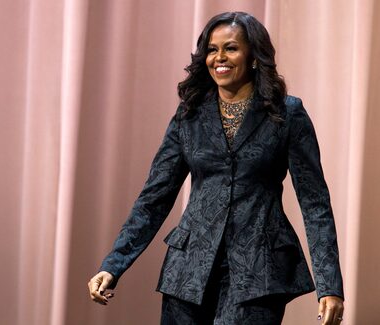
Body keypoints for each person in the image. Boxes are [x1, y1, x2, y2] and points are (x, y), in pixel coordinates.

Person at [88, 11, 344, 325]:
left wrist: (330, 285)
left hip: (258, 271)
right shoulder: (190, 114)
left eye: (231, 48)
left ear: (253, 56)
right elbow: (154, 198)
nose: (219, 57)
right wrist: (113, 264)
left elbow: (315, 202)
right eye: (212, 49)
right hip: (188, 271)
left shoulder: (287, 113)